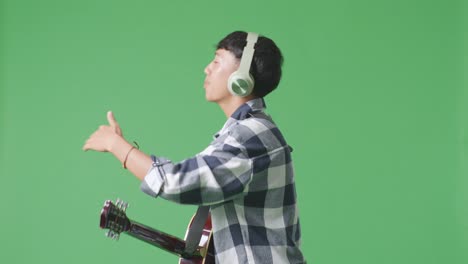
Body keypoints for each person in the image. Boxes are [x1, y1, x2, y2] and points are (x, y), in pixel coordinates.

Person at [83, 31, 305, 263]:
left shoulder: (250, 135)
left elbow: (177, 182)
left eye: (217, 60)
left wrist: (116, 145)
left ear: (241, 78)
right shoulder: (241, 133)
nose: (207, 69)